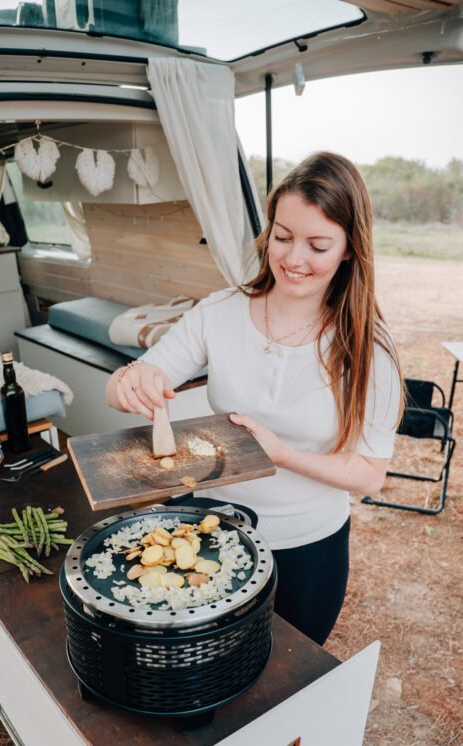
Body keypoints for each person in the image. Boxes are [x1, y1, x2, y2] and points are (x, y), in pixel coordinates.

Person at [105, 151, 403, 645]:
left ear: (349, 249)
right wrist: (128, 383)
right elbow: (131, 380)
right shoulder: (219, 311)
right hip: (212, 530)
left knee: (288, 678)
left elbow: (370, 474)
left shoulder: (368, 348)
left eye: (318, 245)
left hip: (309, 544)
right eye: (282, 237)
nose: (293, 258)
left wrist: (282, 454)